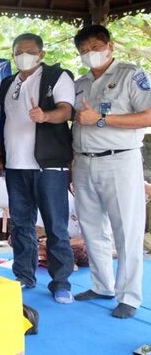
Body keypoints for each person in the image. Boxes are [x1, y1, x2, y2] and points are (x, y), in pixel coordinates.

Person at [70, 24, 151, 318]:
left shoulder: (132, 75)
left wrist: (102, 118)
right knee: (91, 227)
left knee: (126, 230)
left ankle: (128, 295)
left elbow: (148, 116)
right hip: (83, 161)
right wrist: (72, 163)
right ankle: (102, 284)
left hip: (119, 160)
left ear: (110, 46)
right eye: (84, 51)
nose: (89, 54)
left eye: (95, 47)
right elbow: (78, 124)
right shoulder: (80, 83)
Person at [0, 33, 75, 304]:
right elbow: (5, 122)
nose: (23, 55)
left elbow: (66, 111)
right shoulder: (8, 83)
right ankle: (24, 275)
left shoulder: (56, 77)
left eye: (29, 51)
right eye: (18, 51)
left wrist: (45, 116)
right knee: (21, 224)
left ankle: (61, 282)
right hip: (16, 166)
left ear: (40, 54)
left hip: (48, 165)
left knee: (55, 226)